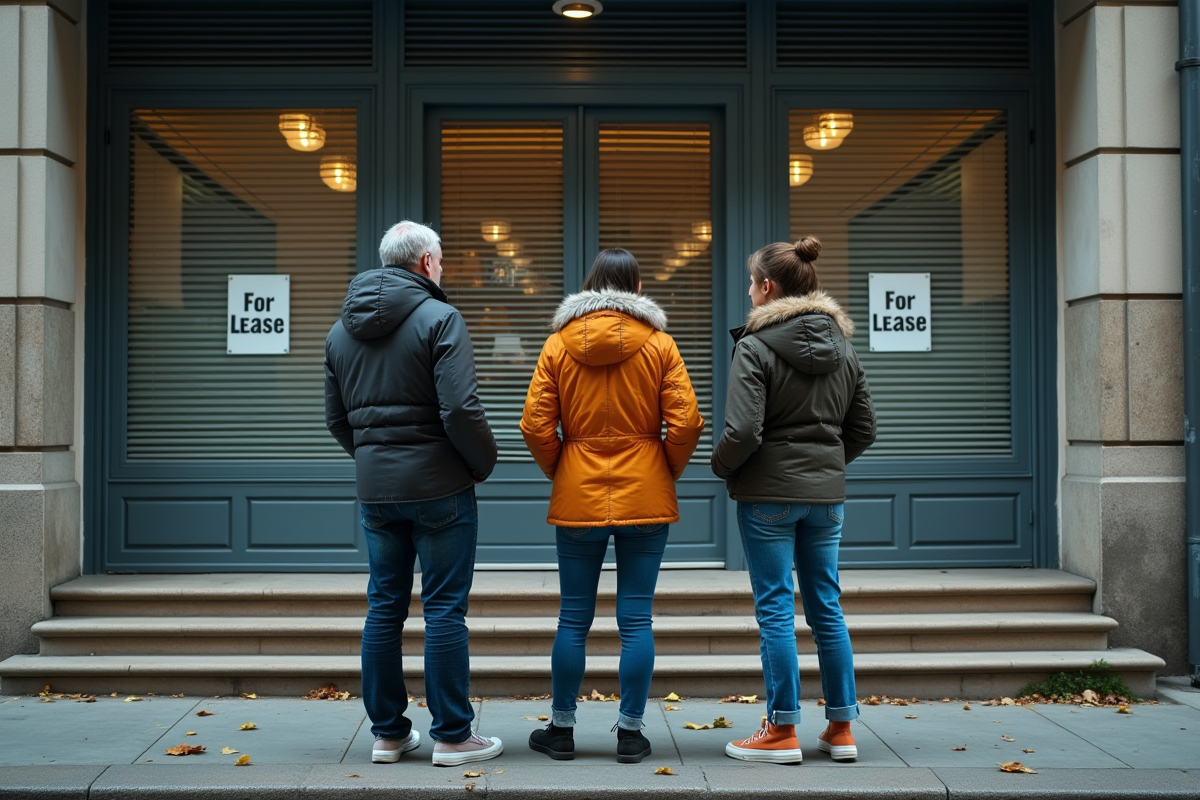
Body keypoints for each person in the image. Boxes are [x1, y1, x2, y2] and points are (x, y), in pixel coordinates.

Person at [324, 220, 503, 767]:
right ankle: (452, 735)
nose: (443, 268)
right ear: (426, 262)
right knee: (445, 610)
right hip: (441, 489)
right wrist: (481, 463)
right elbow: (460, 410)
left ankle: (388, 734)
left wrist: (375, 461)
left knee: (384, 608)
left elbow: (336, 420)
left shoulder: (339, 331)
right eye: (442, 259)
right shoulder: (440, 317)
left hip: (376, 493)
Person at [520, 248, 704, 763]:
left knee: (572, 619)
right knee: (637, 620)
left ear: (589, 285)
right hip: (646, 493)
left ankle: (560, 730)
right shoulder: (661, 345)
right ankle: (630, 732)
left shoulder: (558, 344)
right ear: (637, 288)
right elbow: (687, 423)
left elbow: (535, 425)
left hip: (578, 493)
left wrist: (564, 467)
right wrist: (663, 467)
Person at [712, 236, 876, 765]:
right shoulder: (844, 347)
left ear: (767, 287)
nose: (749, 292)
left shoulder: (755, 347)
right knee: (827, 607)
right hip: (826, 499)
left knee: (777, 610)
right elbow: (864, 429)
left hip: (767, 498)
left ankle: (782, 732)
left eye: (750, 283)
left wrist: (721, 467)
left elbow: (742, 431)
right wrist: (825, 467)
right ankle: (841, 728)